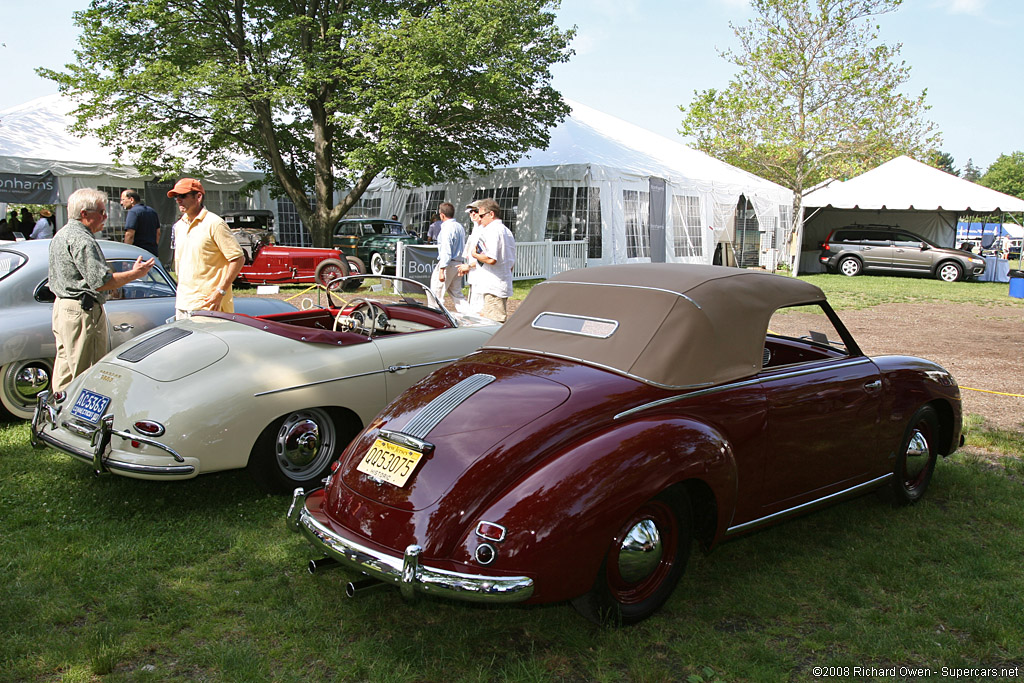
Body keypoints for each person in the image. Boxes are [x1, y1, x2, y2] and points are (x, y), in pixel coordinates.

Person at [48, 188, 155, 391]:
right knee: (85, 374)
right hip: (81, 311)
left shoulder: (62, 234)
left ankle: (56, 415)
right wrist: (136, 273)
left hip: (64, 308)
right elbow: (101, 281)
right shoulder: (82, 239)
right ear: (84, 214)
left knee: (65, 372)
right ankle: (78, 419)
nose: (105, 216)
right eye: (101, 212)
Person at [168, 178, 244, 320]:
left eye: (183, 196)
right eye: (176, 197)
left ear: (198, 197)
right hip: (183, 304)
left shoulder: (215, 224)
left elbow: (238, 259)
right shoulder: (179, 226)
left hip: (209, 306)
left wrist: (220, 292)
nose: (178, 200)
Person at [463, 198, 515, 323]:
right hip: (498, 283)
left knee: (493, 324)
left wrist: (474, 254)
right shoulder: (505, 230)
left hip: (493, 286)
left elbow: (491, 259)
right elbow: (510, 262)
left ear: (491, 214)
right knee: (489, 321)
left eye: (481, 215)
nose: (479, 218)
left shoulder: (493, 230)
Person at [430, 202, 466, 307]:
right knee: (457, 294)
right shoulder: (459, 227)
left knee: (436, 294)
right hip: (458, 262)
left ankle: (435, 318)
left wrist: (442, 269)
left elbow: (446, 249)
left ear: (442, 215)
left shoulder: (447, 228)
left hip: (448, 263)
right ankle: (469, 315)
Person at [456, 207, 484, 314]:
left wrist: (469, 266)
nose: (472, 214)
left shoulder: (483, 231)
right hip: (474, 274)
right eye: (470, 212)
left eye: (475, 212)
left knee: (478, 309)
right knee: (474, 305)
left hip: (481, 276)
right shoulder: (476, 230)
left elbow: (485, 257)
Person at [120, 189, 161, 257]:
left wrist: (126, 253)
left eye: (123, 200)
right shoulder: (152, 211)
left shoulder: (133, 212)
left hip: (138, 254)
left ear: (131, 200)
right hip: (152, 253)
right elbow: (158, 233)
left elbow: (130, 235)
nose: (121, 203)